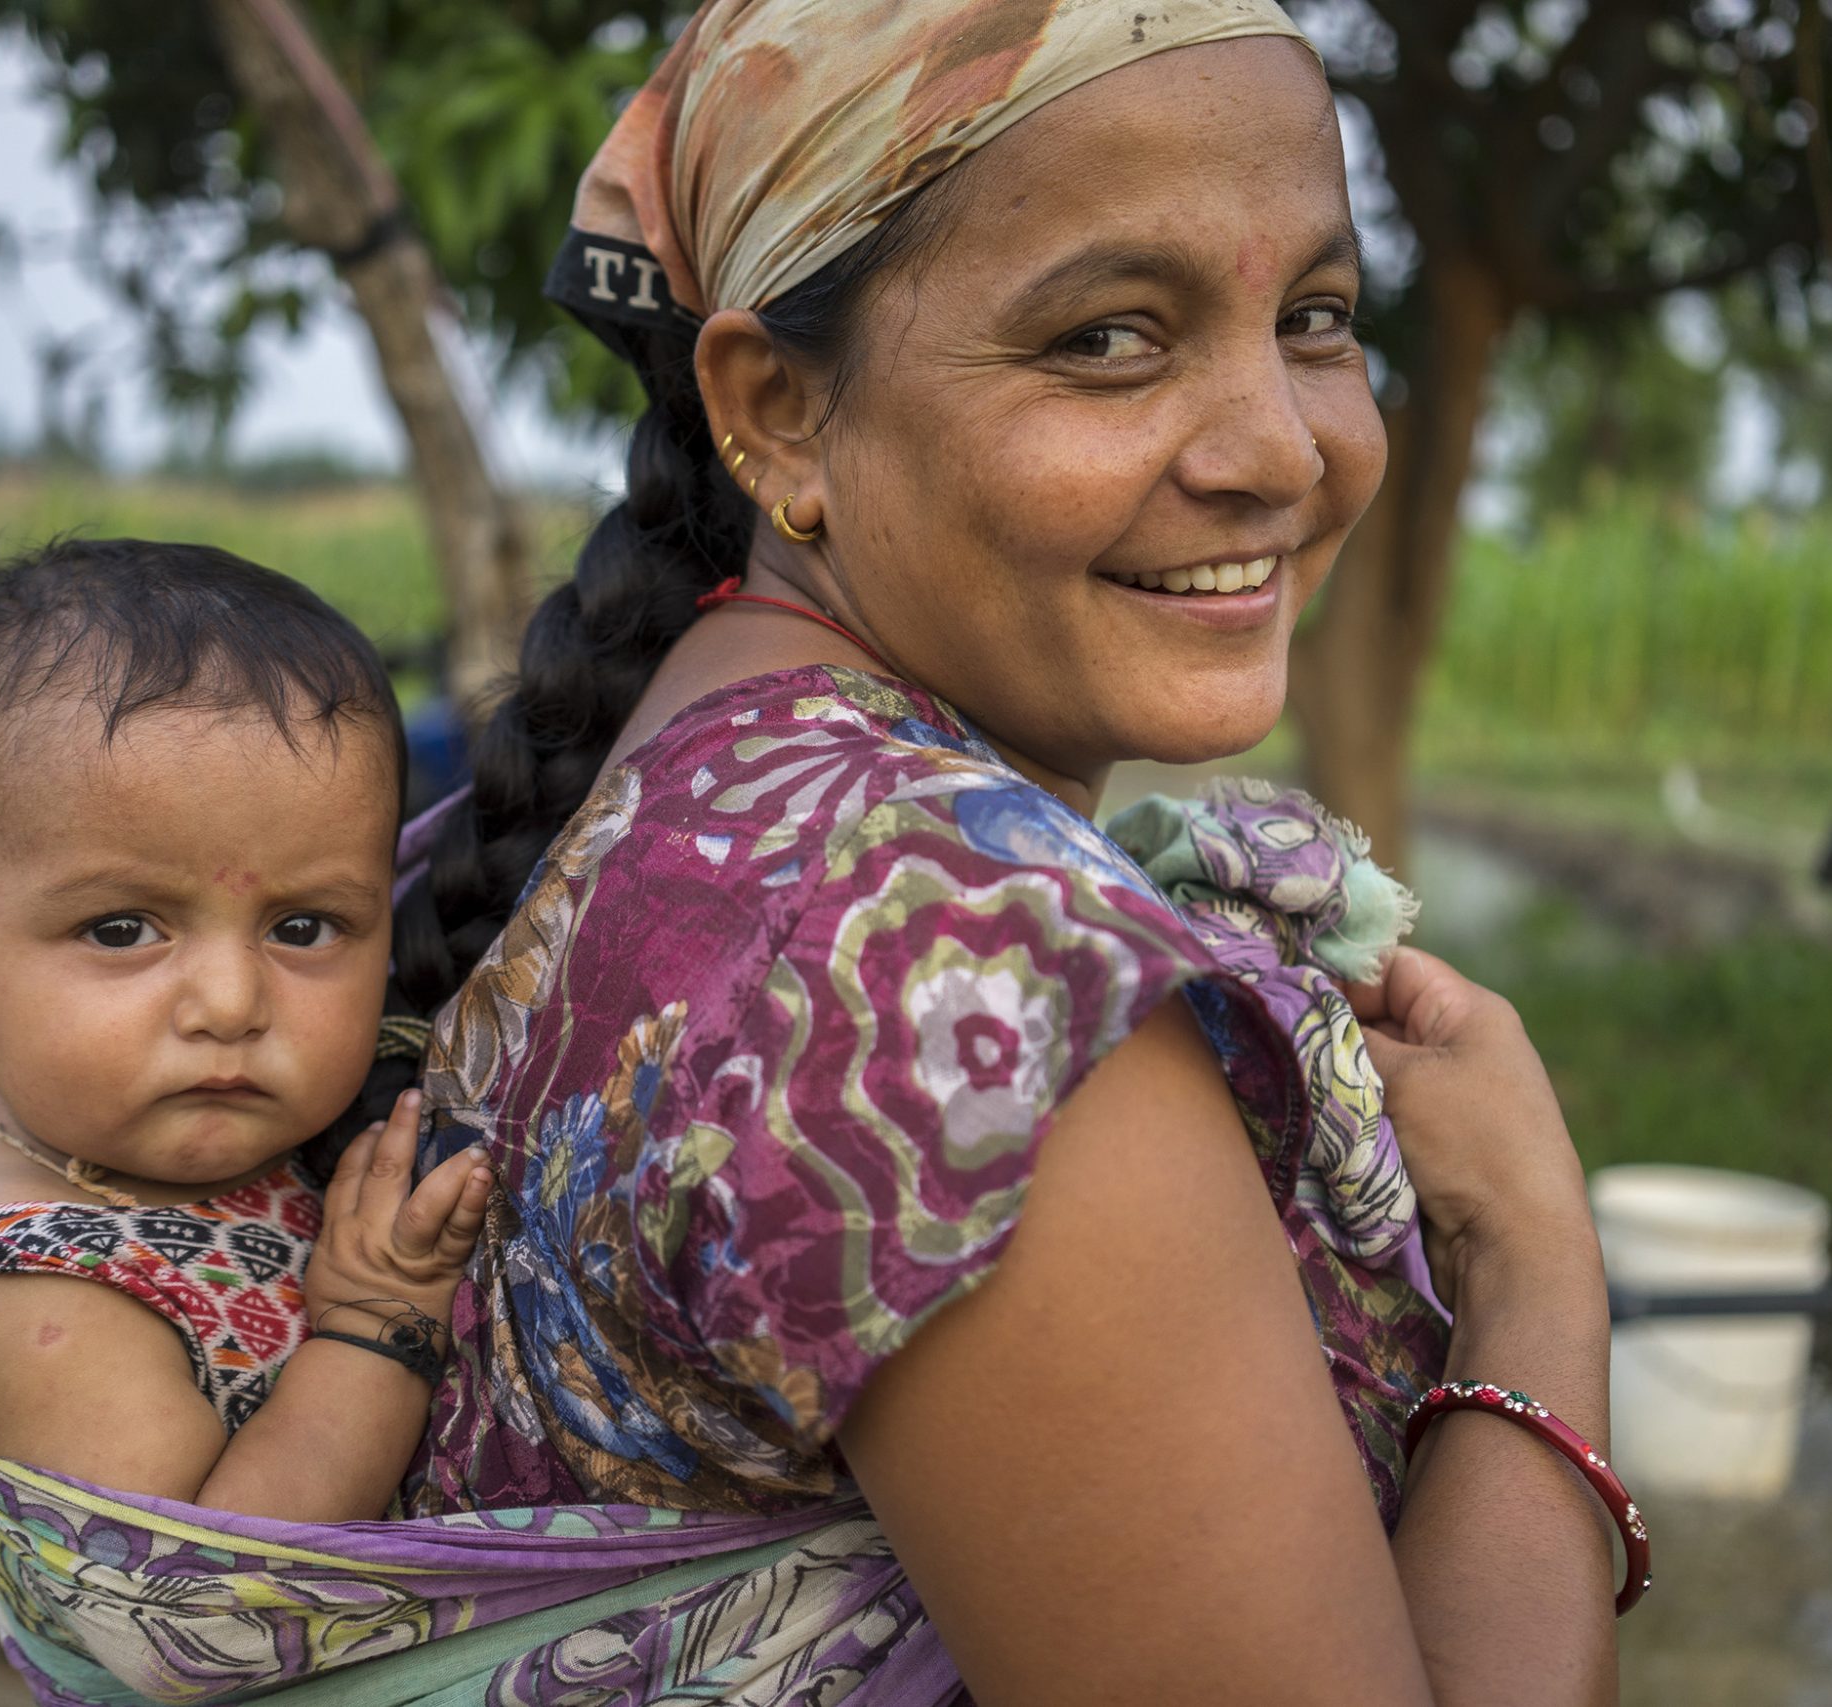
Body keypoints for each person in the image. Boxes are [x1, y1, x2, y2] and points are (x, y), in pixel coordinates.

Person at [382, 1, 1630, 1701]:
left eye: (1317, 318)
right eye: (1111, 337)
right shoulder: (969, 982)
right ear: (779, 412)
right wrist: (1536, 1272)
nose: (1278, 445)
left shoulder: (687, 775)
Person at [0, 538, 492, 1523]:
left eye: (303, 928)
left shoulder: (273, 1148)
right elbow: (221, 1613)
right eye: (120, 931)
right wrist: (377, 1324)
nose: (232, 1004)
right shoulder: (35, 1298)